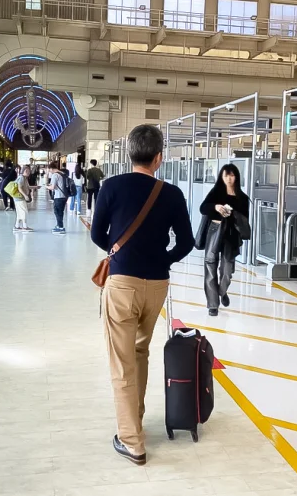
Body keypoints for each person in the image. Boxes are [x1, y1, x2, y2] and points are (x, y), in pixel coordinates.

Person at [91, 124, 194, 466]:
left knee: (121, 363)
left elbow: (96, 233)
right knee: (139, 351)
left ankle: (132, 440)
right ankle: (134, 419)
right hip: (156, 286)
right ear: (159, 158)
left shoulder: (111, 186)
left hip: (122, 283)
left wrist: (119, 251)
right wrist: (161, 258)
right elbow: (186, 242)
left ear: (130, 153)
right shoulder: (172, 193)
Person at [199, 164, 250, 316]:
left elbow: (245, 219)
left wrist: (233, 214)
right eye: (226, 175)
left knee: (227, 270)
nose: (229, 178)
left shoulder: (242, 197)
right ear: (221, 177)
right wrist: (216, 207)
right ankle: (213, 305)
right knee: (210, 266)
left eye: (232, 175)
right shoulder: (216, 193)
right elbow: (203, 208)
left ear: (236, 177)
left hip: (231, 235)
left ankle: (222, 291)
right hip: (214, 231)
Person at [46, 161, 67, 234]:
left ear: (51, 168)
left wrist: (46, 186)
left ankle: (61, 227)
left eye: (49, 170)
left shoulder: (55, 175)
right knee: (60, 211)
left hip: (58, 196)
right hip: (65, 195)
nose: (50, 172)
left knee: (57, 211)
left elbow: (52, 187)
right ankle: (59, 225)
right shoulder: (63, 173)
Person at [13, 165, 35, 232]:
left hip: (18, 198)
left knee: (20, 212)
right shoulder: (21, 178)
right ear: (23, 171)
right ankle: (24, 227)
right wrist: (25, 195)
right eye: (26, 171)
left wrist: (36, 187)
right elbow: (19, 188)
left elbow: (27, 187)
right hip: (19, 198)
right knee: (24, 211)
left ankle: (17, 226)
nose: (28, 172)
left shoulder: (24, 178)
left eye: (29, 171)